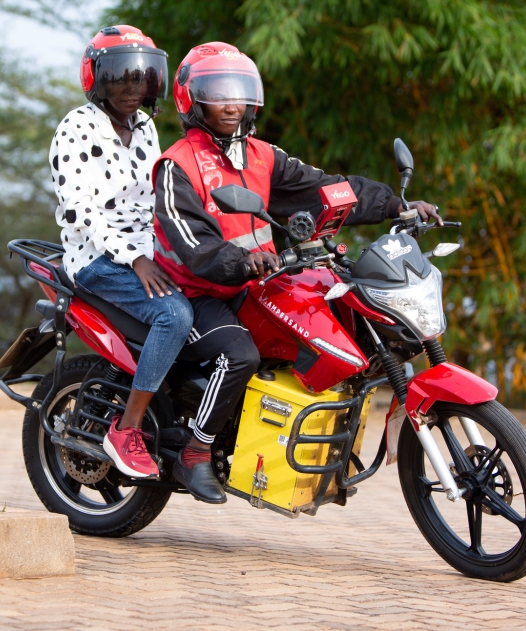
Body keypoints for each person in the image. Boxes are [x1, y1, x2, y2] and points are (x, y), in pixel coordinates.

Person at [152, 42, 442, 503]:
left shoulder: (263, 156)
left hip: (257, 283)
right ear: (192, 99)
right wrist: (241, 261)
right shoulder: (176, 165)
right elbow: (193, 245)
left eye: (239, 93)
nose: (231, 104)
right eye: (218, 93)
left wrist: (396, 205)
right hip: (195, 293)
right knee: (239, 354)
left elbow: (326, 189)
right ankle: (196, 452)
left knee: (332, 318)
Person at [50, 25, 193, 480]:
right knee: (175, 316)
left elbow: (152, 198)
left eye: (141, 78)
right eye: (120, 78)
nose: (132, 89)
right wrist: (135, 258)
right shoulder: (76, 127)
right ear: (96, 78)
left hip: (145, 251)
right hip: (96, 259)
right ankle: (126, 430)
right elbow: (79, 211)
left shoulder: (145, 126)